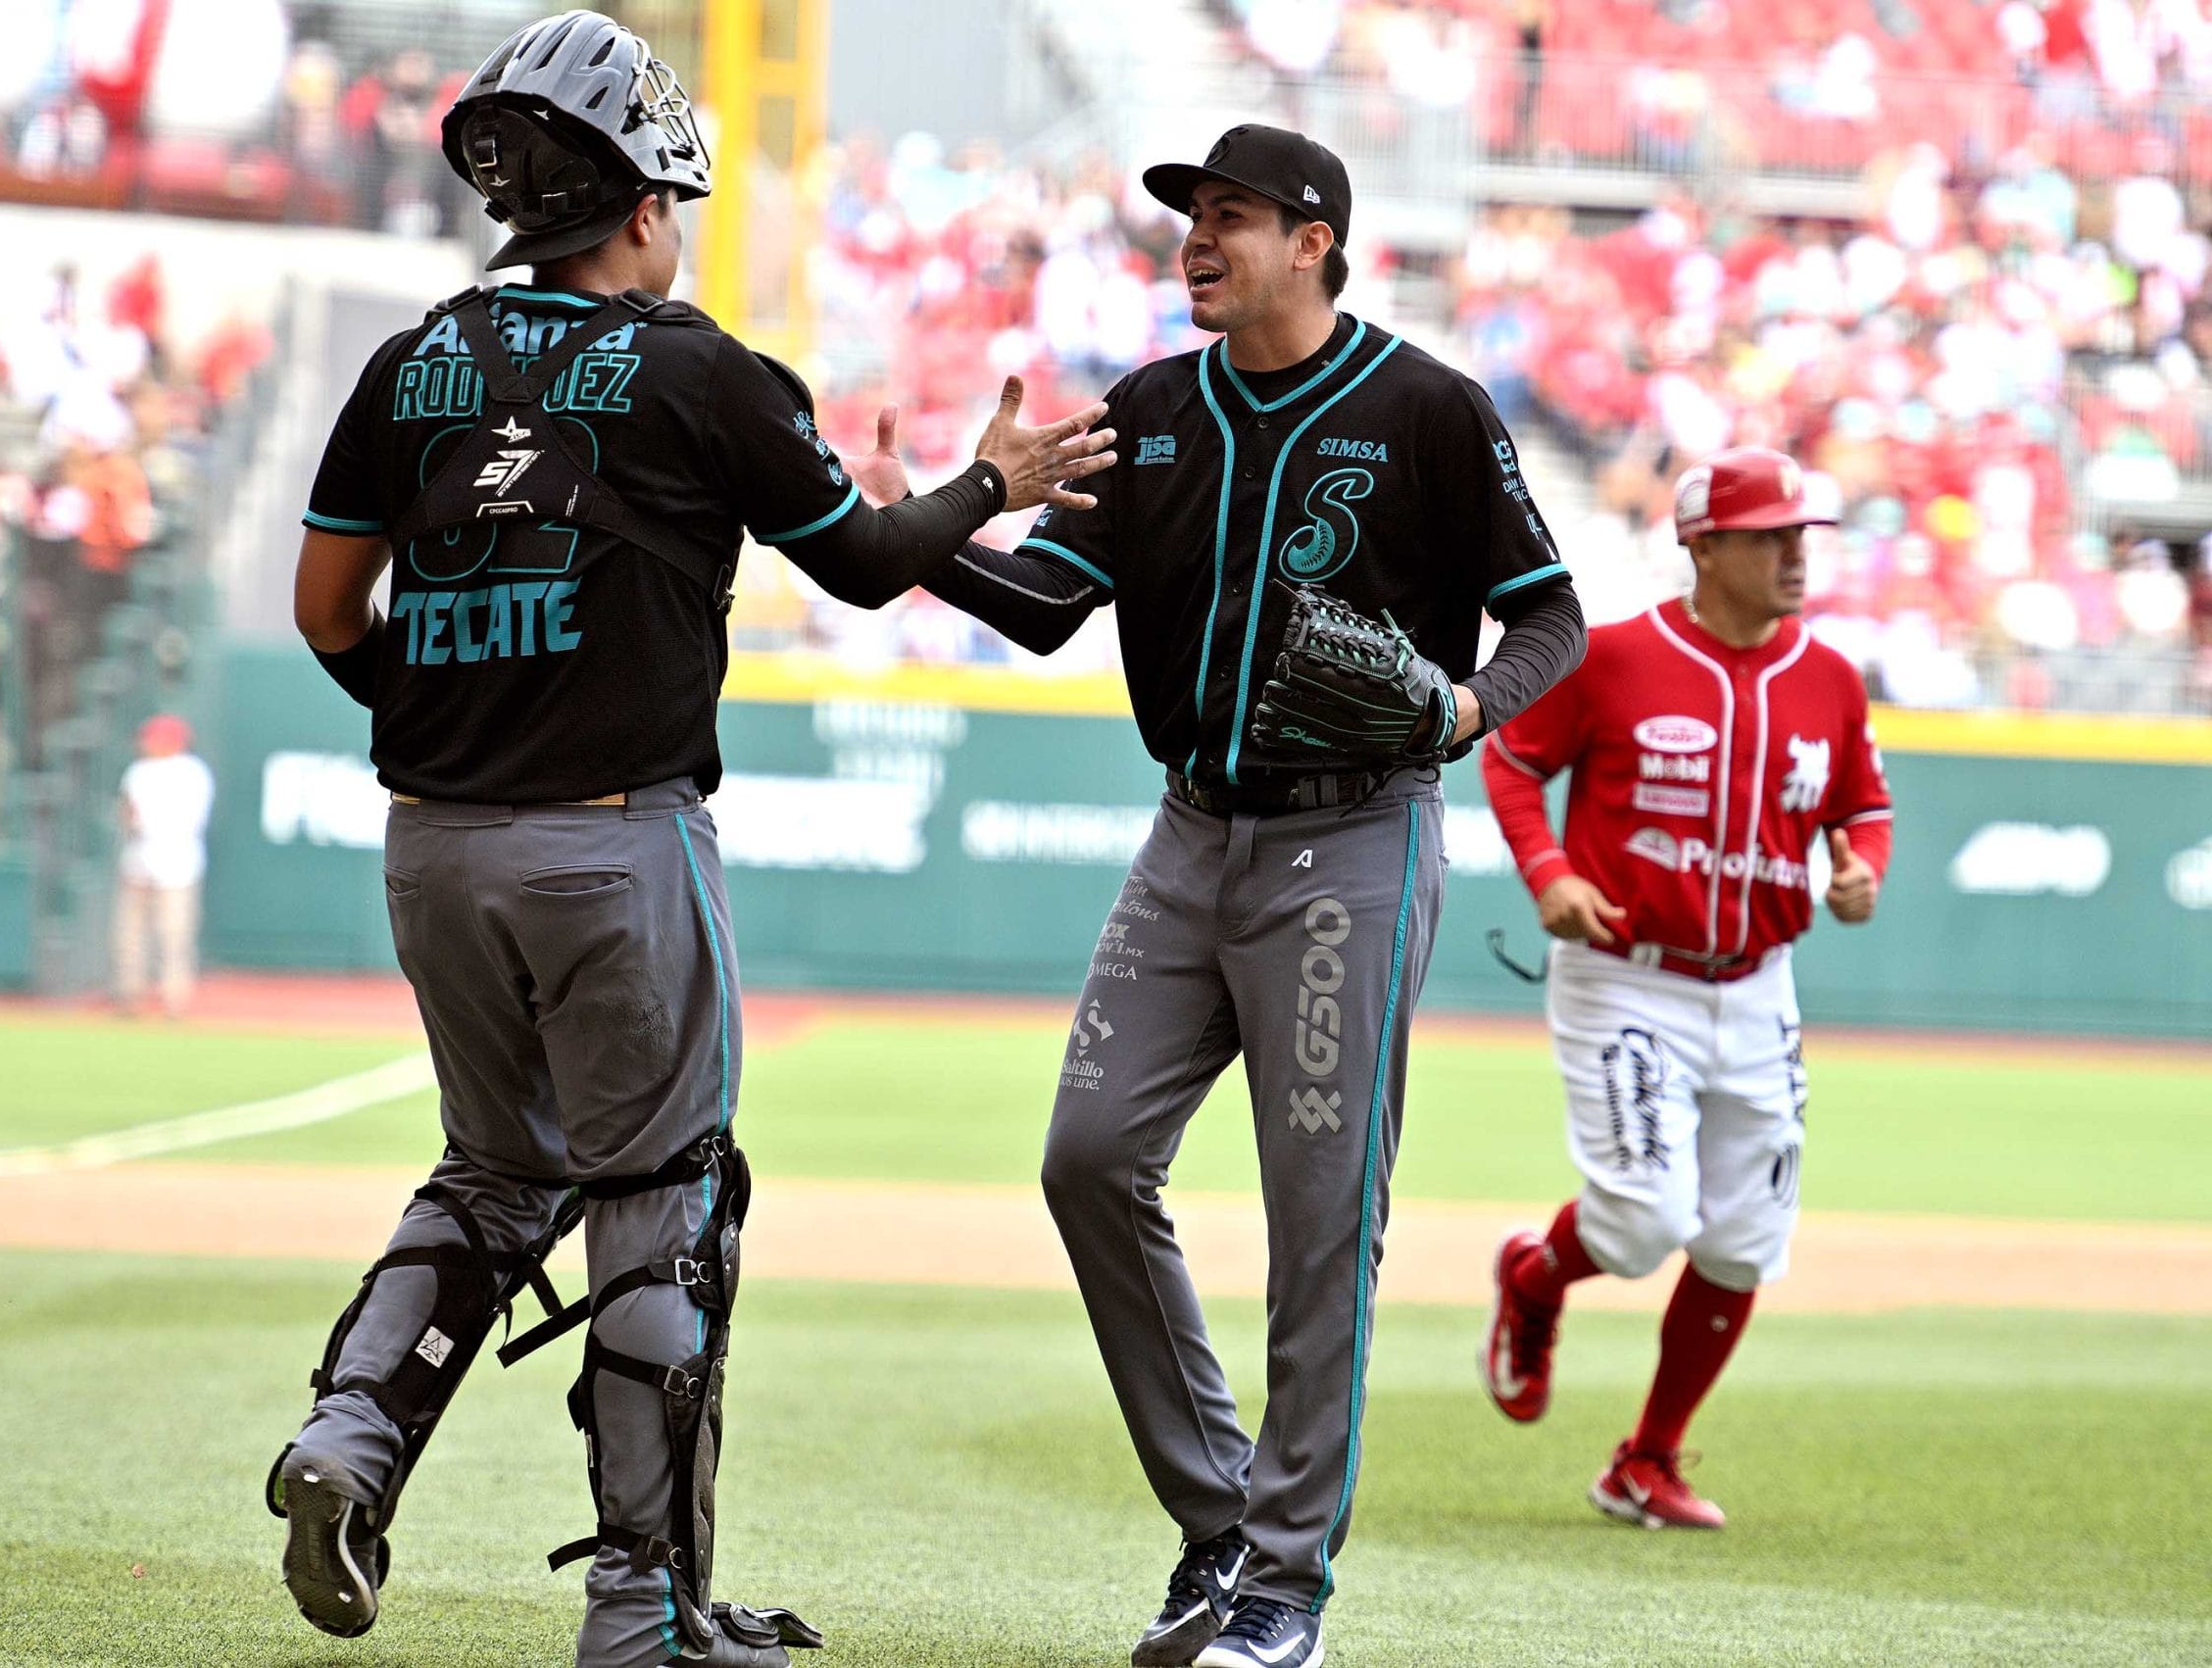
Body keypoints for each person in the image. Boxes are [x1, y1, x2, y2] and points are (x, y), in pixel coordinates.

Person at [269, 13, 1115, 1667]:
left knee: (495, 1168)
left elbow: (324, 608)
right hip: (614, 846)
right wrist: (991, 477)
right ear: (642, 206)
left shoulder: (412, 360)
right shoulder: (699, 366)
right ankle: (640, 1605)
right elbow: (868, 564)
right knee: (663, 1198)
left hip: (432, 843)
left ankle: (352, 1439)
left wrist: (452, 709)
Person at [849, 123, 1586, 1668]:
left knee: (1323, 1224)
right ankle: (1221, 1531)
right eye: (1190, 217)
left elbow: (1551, 618)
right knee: (1087, 1155)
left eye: (1231, 216)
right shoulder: (1153, 410)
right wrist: (917, 530)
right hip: (1195, 831)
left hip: (1355, 840)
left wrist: (1465, 712)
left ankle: (1286, 1594)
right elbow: (1051, 603)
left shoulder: (1428, 408)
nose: (1196, 238)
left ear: (1315, 240)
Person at [1476, 447, 1892, 1529]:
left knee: (1745, 1238)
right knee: (1641, 1223)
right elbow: (1512, 759)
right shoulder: (1614, 656)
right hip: (1625, 974)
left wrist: (1861, 870)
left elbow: (1862, 803)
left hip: (1759, 985)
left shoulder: (1830, 676)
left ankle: (1644, 1461)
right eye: (1771, 536)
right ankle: (1534, 1274)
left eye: (1804, 537)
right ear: (1702, 546)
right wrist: (1549, 871)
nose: (1796, 556)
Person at [113, 713, 214, 1018]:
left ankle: (175, 1002)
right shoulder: (137, 771)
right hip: (139, 861)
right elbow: (127, 814)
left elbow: (188, 822)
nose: (146, 744)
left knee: (174, 937)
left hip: (177, 864)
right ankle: (129, 998)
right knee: (129, 936)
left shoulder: (193, 773)